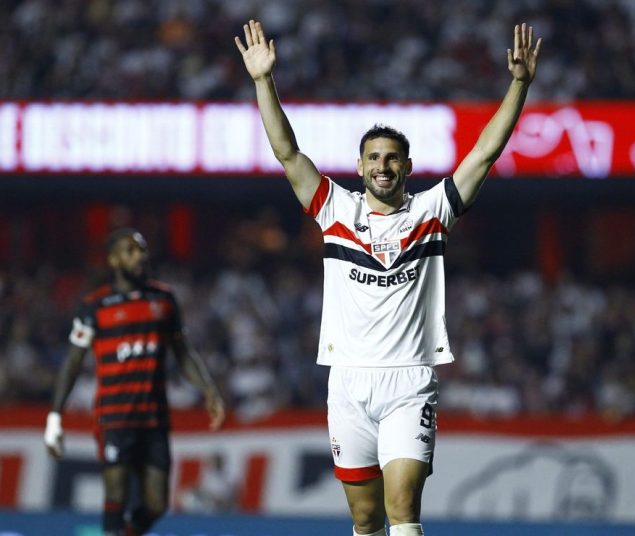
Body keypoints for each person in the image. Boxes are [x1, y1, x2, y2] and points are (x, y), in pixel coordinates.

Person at [235, 19, 541, 536]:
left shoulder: (431, 211)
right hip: (348, 382)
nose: (383, 165)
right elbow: (288, 154)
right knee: (365, 518)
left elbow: (485, 153)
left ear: (407, 165)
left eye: (392, 158)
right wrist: (264, 81)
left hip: (409, 382)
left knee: (403, 509)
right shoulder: (334, 210)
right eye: (374, 157)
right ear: (359, 166)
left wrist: (519, 85)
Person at [43, 228, 226, 536]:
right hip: (114, 416)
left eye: (141, 249)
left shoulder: (163, 299)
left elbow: (182, 352)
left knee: (156, 504)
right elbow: (73, 363)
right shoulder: (95, 306)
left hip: (154, 418)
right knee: (117, 492)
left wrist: (209, 390)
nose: (139, 256)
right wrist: (55, 416)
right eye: (130, 251)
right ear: (114, 259)